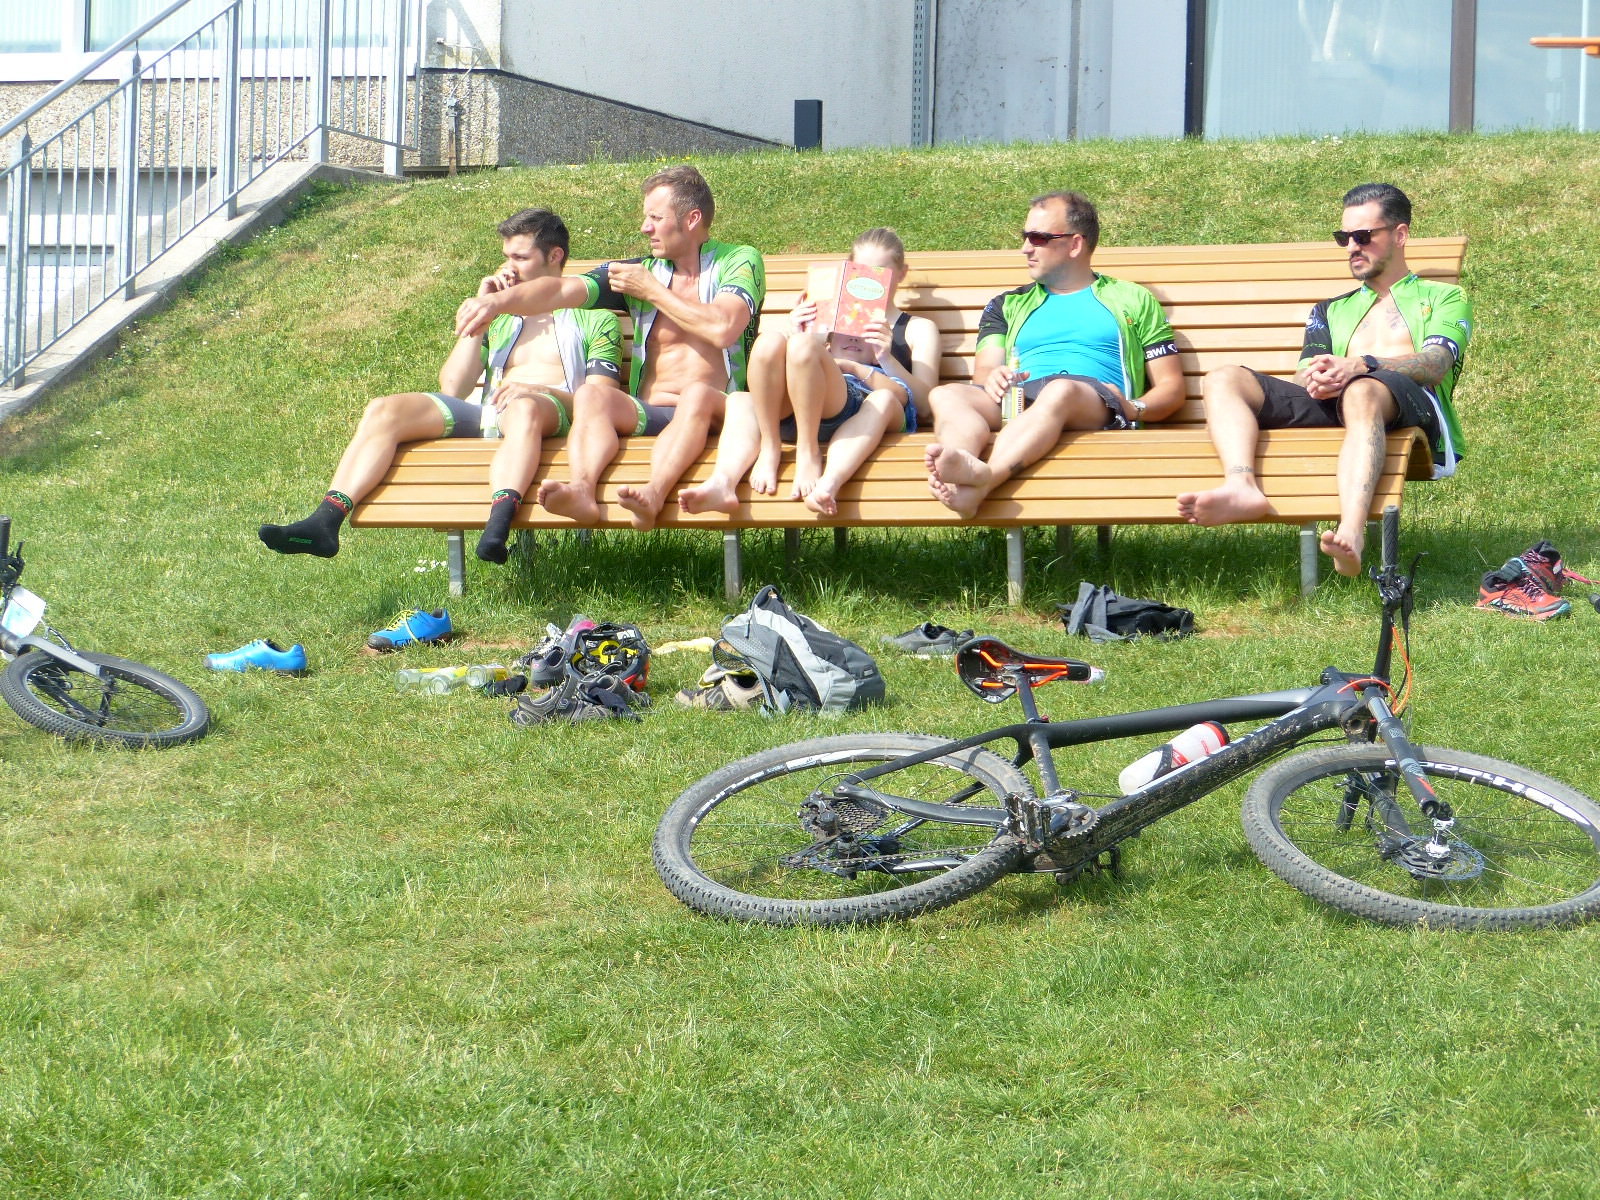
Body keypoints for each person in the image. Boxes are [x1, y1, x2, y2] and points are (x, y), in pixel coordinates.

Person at [259, 208, 621, 564]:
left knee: (523, 408)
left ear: (555, 256)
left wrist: (540, 392)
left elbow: (599, 401)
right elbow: (453, 386)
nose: (508, 267)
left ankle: (497, 526)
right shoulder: (501, 319)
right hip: (489, 411)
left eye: (520, 258)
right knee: (384, 409)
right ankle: (325, 522)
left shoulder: (595, 319)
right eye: (506, 256)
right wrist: (481, 318)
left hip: (547, 413)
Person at [1177, 183, 1471, 575]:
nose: (1352, 247)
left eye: (1363, 236)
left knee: (1362, 390)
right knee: (1223, 378)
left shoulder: (1444, 297)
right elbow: (1303, 372)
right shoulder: (1329, 310)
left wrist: (1362, 365)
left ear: (1400, 235)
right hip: (1339, 402)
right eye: (1343, 237)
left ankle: (1352, 532)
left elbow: (1436, 364)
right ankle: (1241, 487)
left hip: (1413, 407)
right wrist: (1316, 378)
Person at [454, 165, 765, 530]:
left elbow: (723, 328)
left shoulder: (737, 260)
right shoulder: (641, 271)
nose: (645, 227)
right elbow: (560, 289)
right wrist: (496, 303)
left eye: (655, 218)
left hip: (720, 408)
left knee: (696, 394)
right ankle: (582, 491)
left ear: (692, 219)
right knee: (591, 395)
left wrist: (652, 291)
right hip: (651, 411)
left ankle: (653, 494)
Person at [922, 191, 1184, 520]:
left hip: (1093, 401)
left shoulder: (1132, 299)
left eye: (1038, 238)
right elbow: (985, 372)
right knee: (946, 394)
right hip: (1022, 399)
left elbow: (1172, 388)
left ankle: (987, 479)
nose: (1025, 248)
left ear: (1074, 245)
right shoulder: (1007, 305)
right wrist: (994, 377)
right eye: (1024, 236)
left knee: (1060, 390)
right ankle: (960, 469)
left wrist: (1134, 408)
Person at [679, 227, 940, 517]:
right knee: (747, 387)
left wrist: (885, 357)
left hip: (857, 403)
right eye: (860, 272)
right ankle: (724, 482)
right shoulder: (830, 311)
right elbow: (794, 356)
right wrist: (799, 331)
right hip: (802, 403)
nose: (869, 281)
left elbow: (926, 406)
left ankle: (808, 453)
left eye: (880, 273)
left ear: (901, 274)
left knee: (826, 364)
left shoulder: (917, 328)